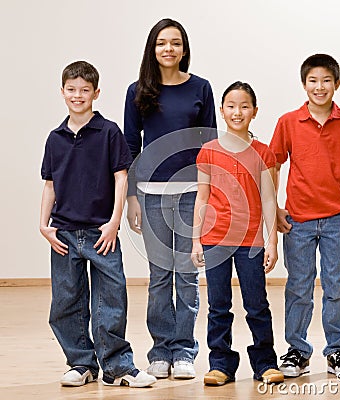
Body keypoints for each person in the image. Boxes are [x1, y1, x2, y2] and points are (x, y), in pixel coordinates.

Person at [40, 61, 156, 388]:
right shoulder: (55, 138)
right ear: (62, 92)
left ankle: (118, 366)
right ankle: (81, 363)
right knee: (66, 301)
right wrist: (43, 225)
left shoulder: (109, 132)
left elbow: (121, 178)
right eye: (72, 90)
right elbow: (49, 184)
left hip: (101, 231)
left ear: (96, 93)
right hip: (62, 232)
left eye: (85, 90)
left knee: (111, 299)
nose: (78, 96)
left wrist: (114, 221)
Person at [124, 18, 217, 379]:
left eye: (175, 43)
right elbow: (131, 145)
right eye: (162, 43)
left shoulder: (201, 88)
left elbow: (209, 144)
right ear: (153, 48)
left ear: (184, 49)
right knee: (160, 275)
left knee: (189, 276)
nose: (169, 49)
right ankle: (160, 350)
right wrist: (131, 195)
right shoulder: (137, 90)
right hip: (151, 195)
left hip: (192, 193)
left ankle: (184, 352)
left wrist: (210, 196)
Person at [269, 54, 340, 379]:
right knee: (298, 286)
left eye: (326, 80)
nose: (319, 86)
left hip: (338, 218)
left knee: (337, 286)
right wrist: (276, 209)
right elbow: (274, 164)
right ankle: (297, 351)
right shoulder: (289, 121)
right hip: (297, 220)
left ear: (337, 84)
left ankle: (338, 351)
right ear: (303, 84)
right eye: (313, 80)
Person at [191, 81, 284, 386]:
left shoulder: (263, 152)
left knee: (256, 304)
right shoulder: (208, 152)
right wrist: (195, 240)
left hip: (251, 242)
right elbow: (202, 198)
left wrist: (272, 241)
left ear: (255, 111)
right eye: (231, 105)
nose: (237, 111)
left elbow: (269, 199)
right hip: (215, 238)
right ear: (221, 111)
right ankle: (220, 363)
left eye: (245, 106)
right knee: (218, 305)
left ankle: (265, 362)